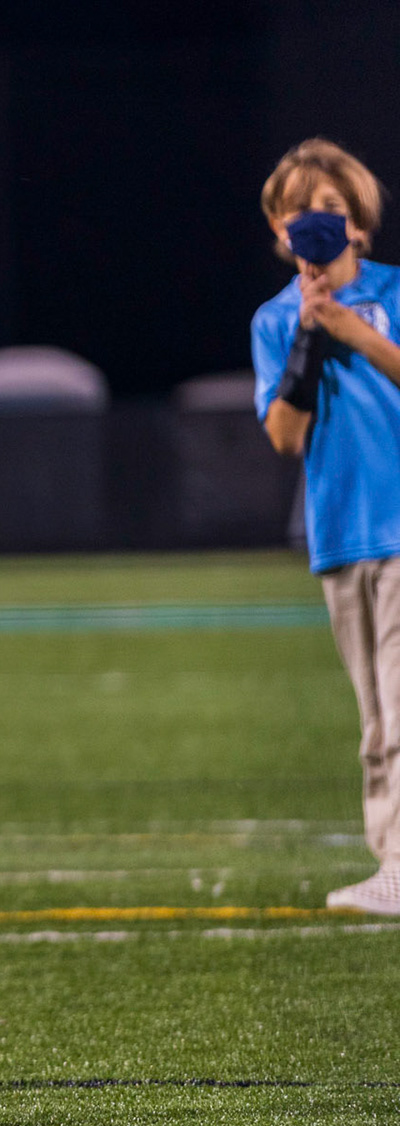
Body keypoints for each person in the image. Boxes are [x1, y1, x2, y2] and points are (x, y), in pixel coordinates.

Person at [254, 138, 400, 917]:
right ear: (279, 228)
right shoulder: (275, 319)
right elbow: (283, 435)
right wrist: (311, 336)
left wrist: (354, 330)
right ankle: (391, 862)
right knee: (377, 719)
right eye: (303, 213)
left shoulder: (394, 292)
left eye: (333, 212)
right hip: (342, 534)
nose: (318, 226)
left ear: (362, 225)